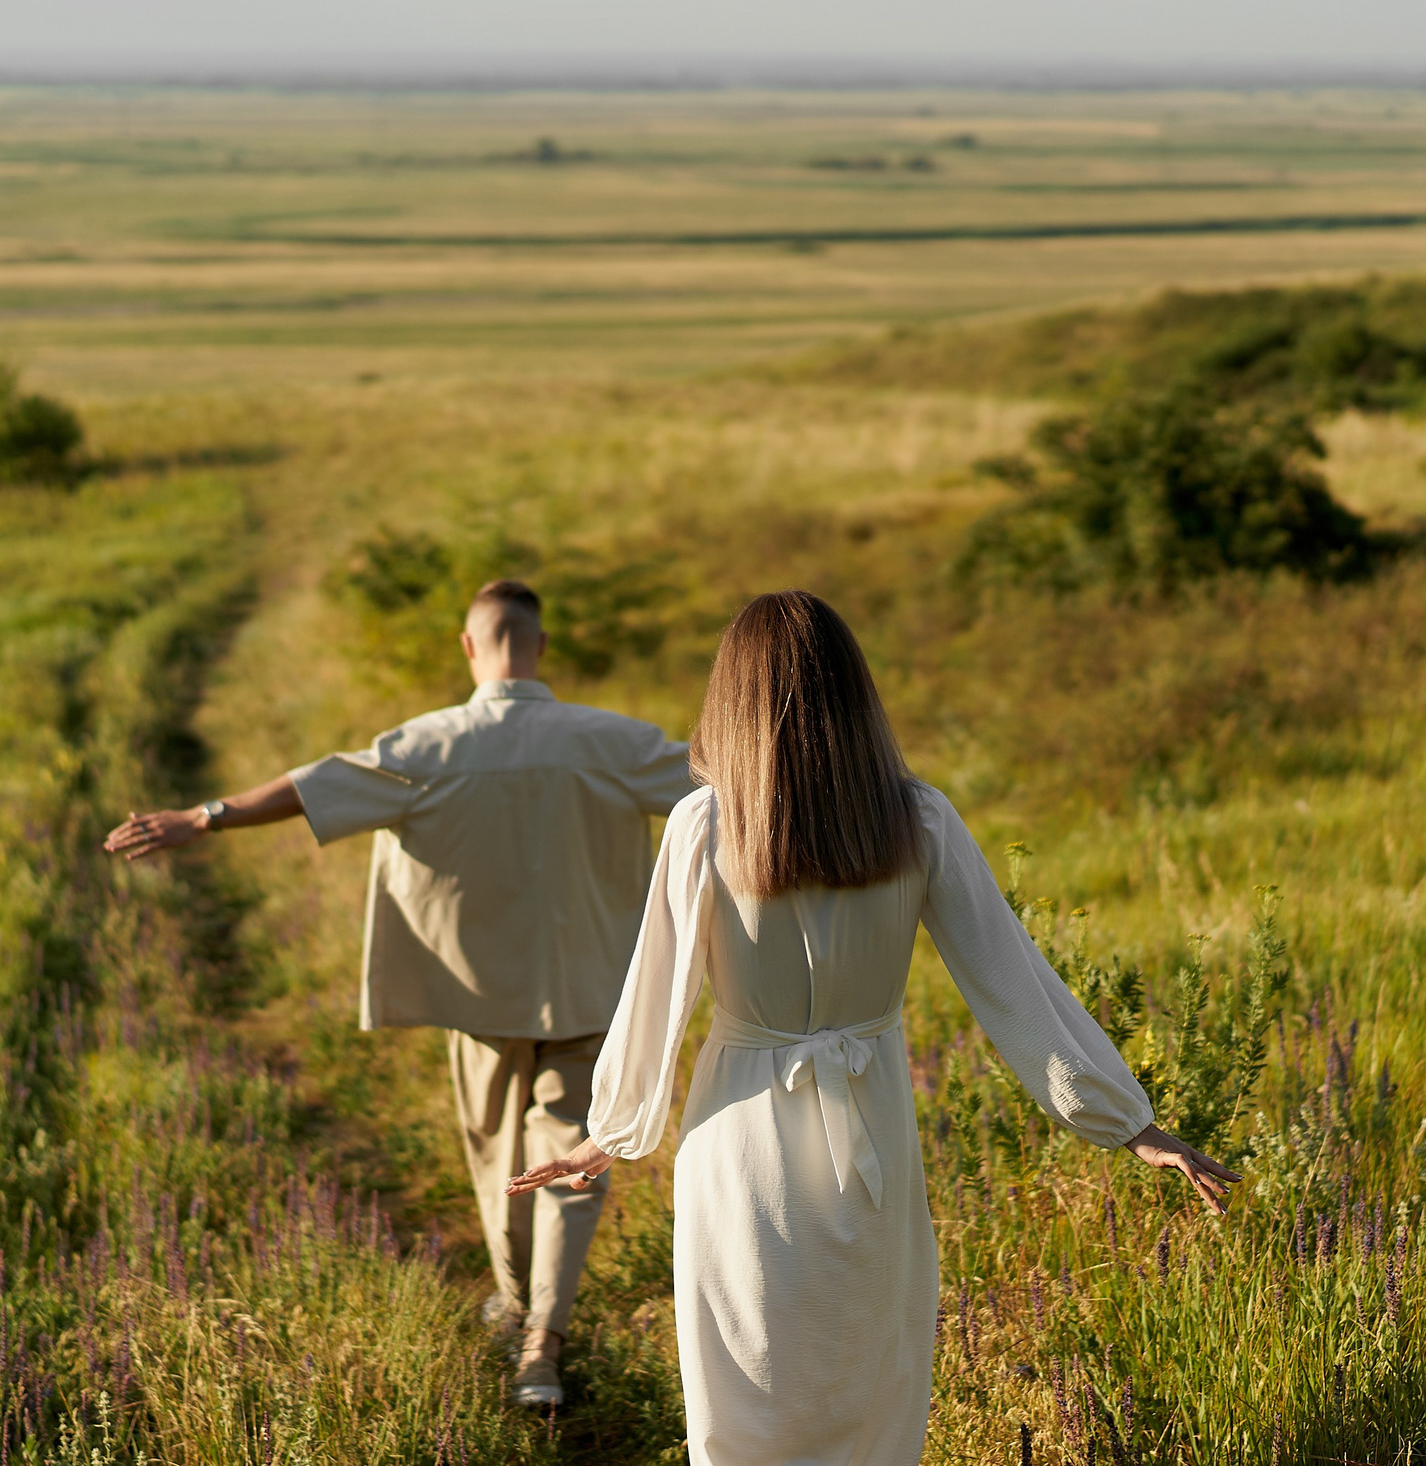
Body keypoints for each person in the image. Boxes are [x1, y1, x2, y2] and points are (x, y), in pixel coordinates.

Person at [509, 590, 1233, 1466]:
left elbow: (653, 992)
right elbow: (1014, 983)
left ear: (729, 700)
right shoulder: (916, 818)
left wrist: (611, 1133)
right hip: (871, 1133)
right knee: (867, 1386)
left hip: (741, 1132)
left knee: (745, 1392)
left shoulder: (706, 824)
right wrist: (1126, 1122)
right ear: (856, 695)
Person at [103, 578, 695, 1409]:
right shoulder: (616, 741)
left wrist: (202, 816)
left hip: (479, 996)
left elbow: (312, 786)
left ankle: (517, 1305)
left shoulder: (428, 744)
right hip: (595, 988)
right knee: (572, 1160)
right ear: (540, 645)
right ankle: (543, 1344)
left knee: (499, 1158)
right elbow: (722, 789)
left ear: (468, 646)